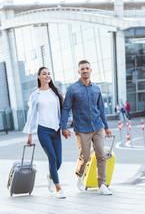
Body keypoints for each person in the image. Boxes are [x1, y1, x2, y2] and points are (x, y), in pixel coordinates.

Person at [60, 60, 112, 196]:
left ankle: (102, 185)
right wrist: (63, 127)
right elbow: (66, 108)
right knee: (85, 156)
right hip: (81, 128)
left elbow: (101, 109)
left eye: (87, 68)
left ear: (91, 70)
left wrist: (106, 127)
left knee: (101, 155)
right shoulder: (72, 89)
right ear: (79, 72)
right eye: (82, 69)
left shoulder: (96, 88)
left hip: (98, 126)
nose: (85, 71)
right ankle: (79, 175)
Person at [23, 67, 66, 199]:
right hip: (43, 130)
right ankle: (59, 188)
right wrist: (29, 135)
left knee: (59, 161)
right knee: (52, 158)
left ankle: (51, 176)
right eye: (44, 74)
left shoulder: (56, 92)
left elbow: (63, 111)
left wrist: (64, 128)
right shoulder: (35, 95)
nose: (47, 76)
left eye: (48, 73)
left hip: (56, 130)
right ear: (38, 77)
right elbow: (31, 116)